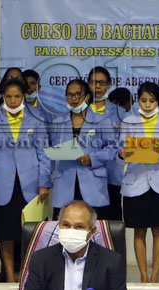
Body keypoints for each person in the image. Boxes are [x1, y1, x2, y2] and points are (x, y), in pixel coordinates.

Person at [20, 200, 133, 290]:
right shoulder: (41, 259)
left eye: (79, 227)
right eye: (66, 225)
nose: (71, 231)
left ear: (91, 232)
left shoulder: (110, 260)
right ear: (59, 227)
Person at [0, 78, 51, 283]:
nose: (12, 100)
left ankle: (28, 276)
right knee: (5, 232)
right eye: (9, 96)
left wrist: (44, 182)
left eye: (17, 96)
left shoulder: (36, 118)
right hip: (2, 185)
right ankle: (10, 276)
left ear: (24, 97)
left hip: (30, 185)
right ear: (3, 96)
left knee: (30, 233)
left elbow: (44, 154)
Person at [118, 82, 159, 283]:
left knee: (158, 231)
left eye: (152, 100)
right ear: (138, 101)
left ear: (158, 101)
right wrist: (122, 153)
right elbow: (120, 152)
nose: (148, 105)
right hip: (136, 184)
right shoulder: (128, 121)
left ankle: (155, 276)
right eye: (143, 100)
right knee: (139, 231)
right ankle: (143, 276)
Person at [49, 79, 115, 220]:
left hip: (93, 184)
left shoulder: (102, 120)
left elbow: (112, 148)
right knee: (64, 231)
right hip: (64, 183)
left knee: (95, 232)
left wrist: (92, 158)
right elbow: (52, 149)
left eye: (77, 94)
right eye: (69, 94)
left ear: (87, 96)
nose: (73, 98)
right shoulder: (57, 122)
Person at [87, 67, 124, 221]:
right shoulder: (81, 111)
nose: (98, 87)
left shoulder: (121, 112)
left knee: (111, 225)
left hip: (113, 176)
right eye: (94, 82)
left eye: (102, 83)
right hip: (89, 175)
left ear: (109, 85)